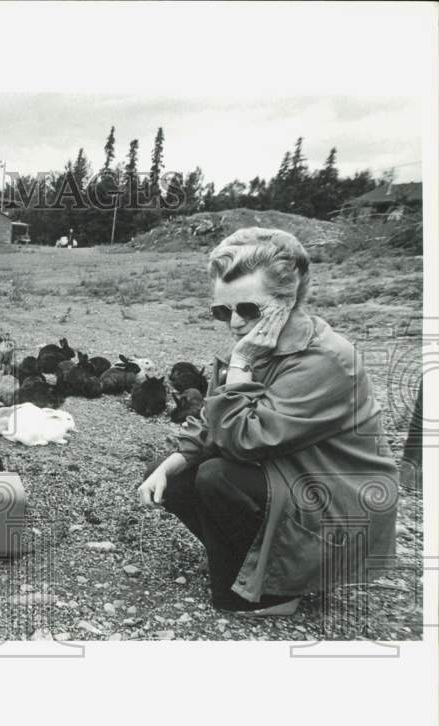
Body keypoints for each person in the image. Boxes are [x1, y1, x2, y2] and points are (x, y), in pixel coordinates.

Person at [138, 227, 398, 616]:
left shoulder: (326, 360)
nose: (235, 323)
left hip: (340, 505)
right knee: (169, 475)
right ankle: (256, 568)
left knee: (218, 476)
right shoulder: (261, 345)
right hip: (294, 473)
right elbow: (214, 422)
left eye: (248, 309)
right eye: (222, 311)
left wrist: (240, 366)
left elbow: (243, 441)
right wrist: (169, 464)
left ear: (288, 301)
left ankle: (278, 593)